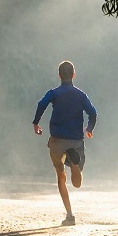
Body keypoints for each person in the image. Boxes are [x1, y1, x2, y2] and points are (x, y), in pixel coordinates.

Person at [32, 60, 97, 226]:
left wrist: (36, 122)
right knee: (77, 183)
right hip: (75, 141)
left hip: (56, 141)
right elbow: (93, 113)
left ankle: (70, 215)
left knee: (61, 176)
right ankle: (74, 164)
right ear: (74, 75)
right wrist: (89, 128)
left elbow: (41, 104)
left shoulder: (54, 93)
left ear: (59, 76)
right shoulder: (81, 95)